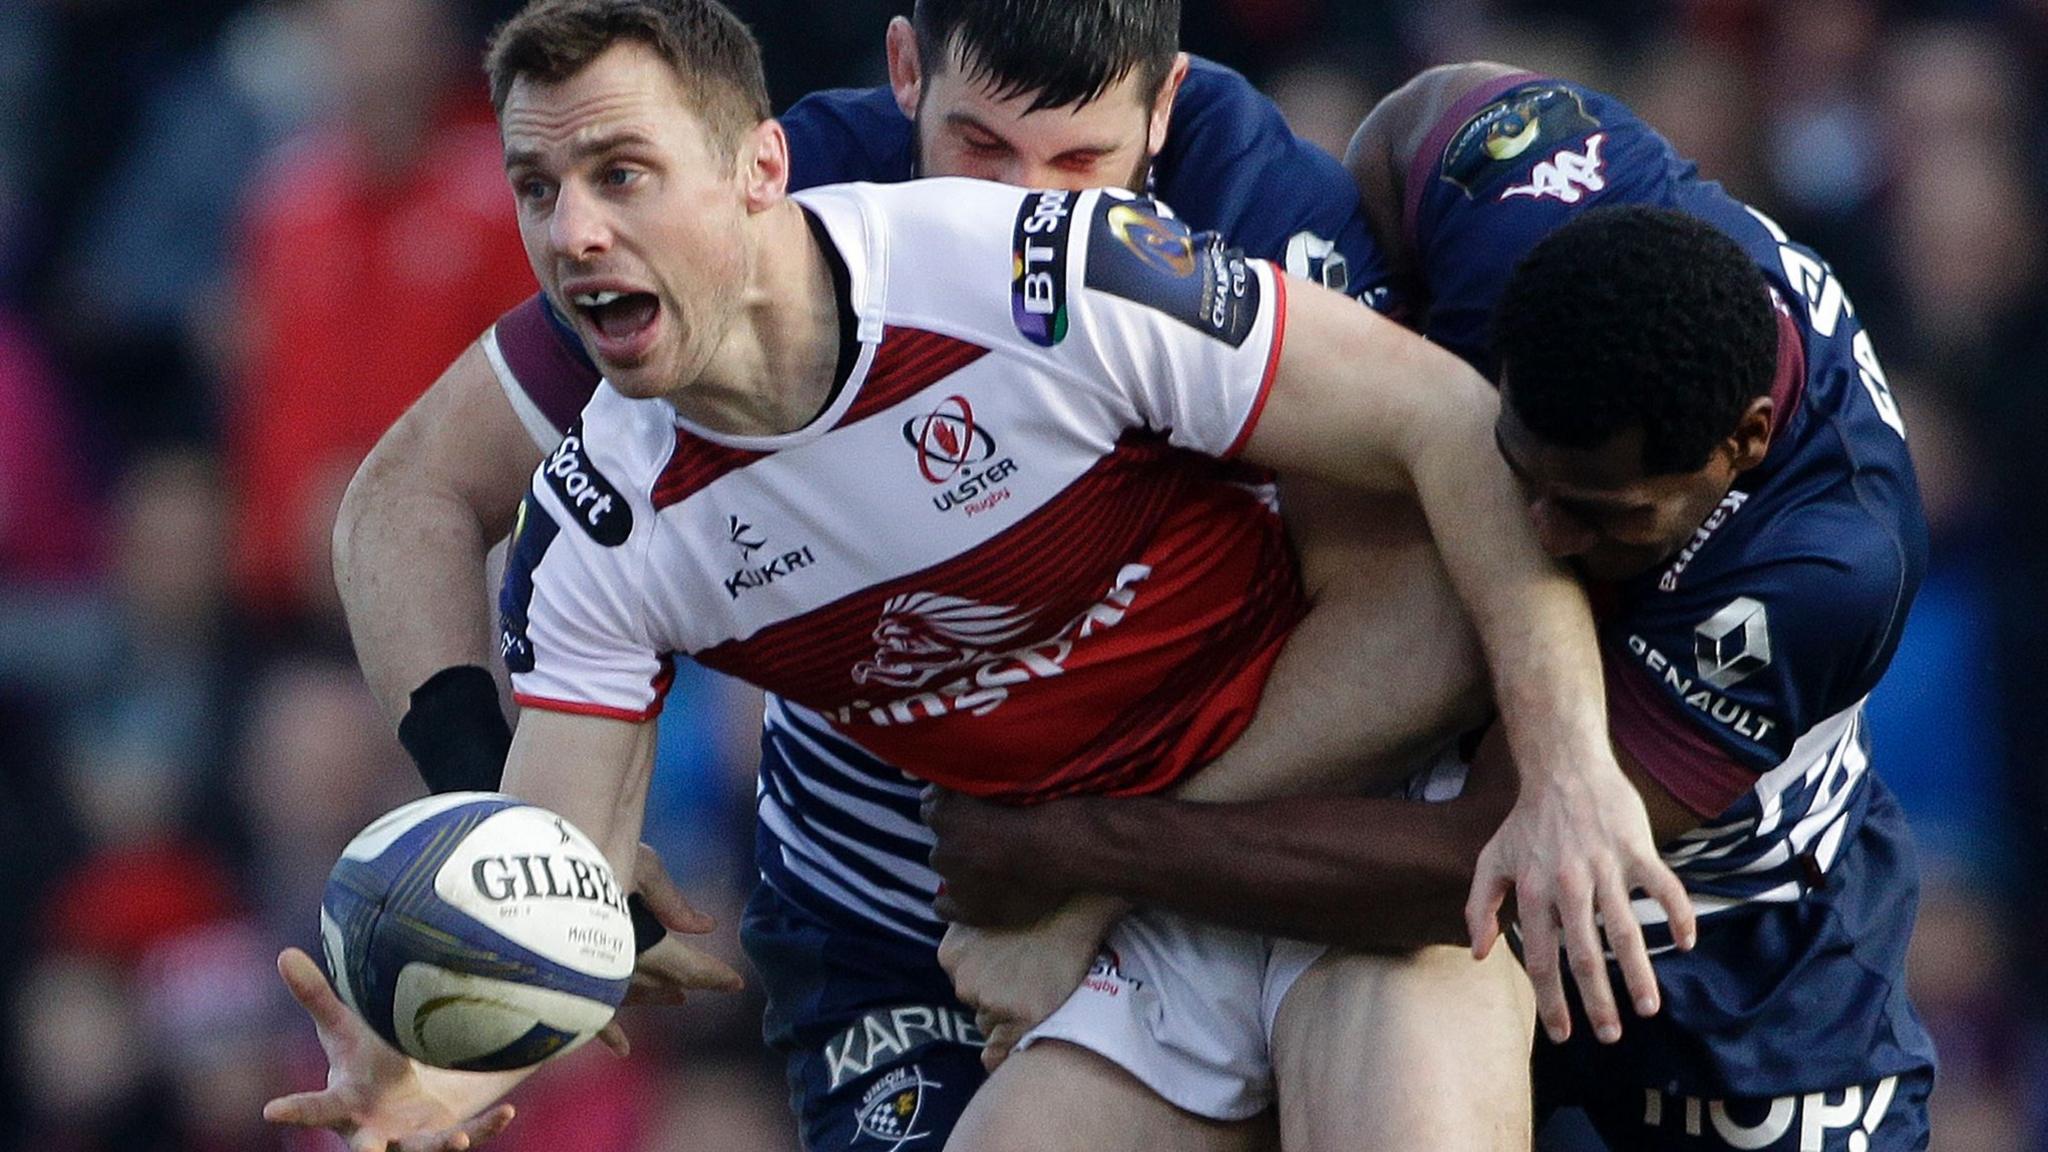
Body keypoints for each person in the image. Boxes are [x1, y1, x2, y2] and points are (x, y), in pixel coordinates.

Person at [263, 4, 1667, 1150]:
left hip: (1318, 831)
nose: (570, 234)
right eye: (536, 190)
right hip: (1006, 914)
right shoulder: (596, 532)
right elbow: (551, 884)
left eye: (622, 179)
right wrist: (452, 1055)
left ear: (765, 172)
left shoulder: (1040, 269)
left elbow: (1448, 429)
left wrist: (1568, 771)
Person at [925, 62, 1938, 1150]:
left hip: (1732, 983)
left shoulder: (1825, 561)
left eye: (1601, 516)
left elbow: (1483, 862)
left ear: (1737, 445)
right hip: (1385, 879)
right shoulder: (1514, 189)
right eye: (1515, 475)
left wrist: (1078, 855)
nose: (1537, 535)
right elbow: (1406, 133)